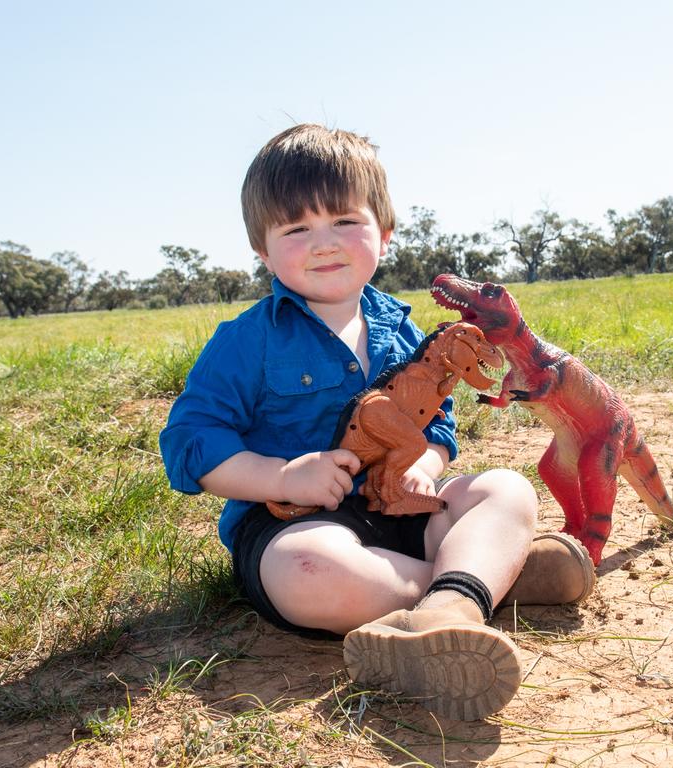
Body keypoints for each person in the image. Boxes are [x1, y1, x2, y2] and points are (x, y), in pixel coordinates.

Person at [159, 124, 594, 721]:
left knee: (506, 488)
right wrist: (283, 478)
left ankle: (451, 604)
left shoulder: (403, 330)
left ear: (383, 234)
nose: (323, 243)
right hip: (296, 528)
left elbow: (438, 418)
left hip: (401, 514)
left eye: (344, 222)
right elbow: (190, 443)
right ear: (261, 250)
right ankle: (481, 586)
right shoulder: (246, 341)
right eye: (295, 229)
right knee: (311, 572)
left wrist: (426, 461)